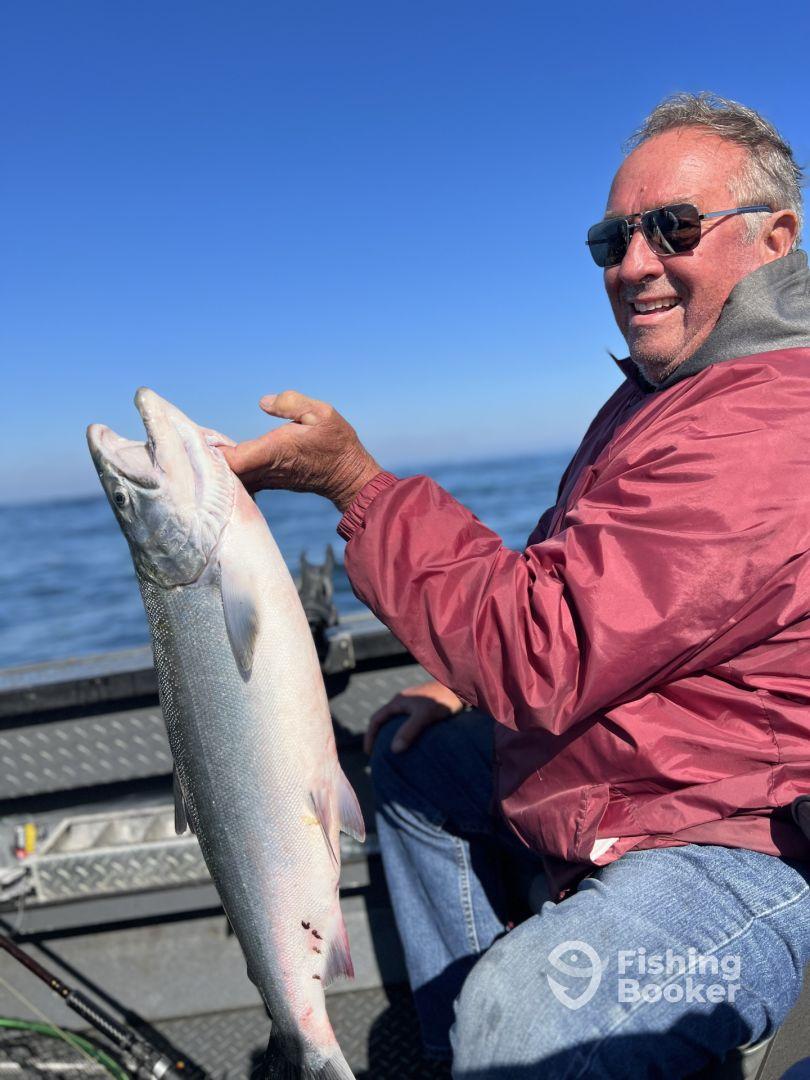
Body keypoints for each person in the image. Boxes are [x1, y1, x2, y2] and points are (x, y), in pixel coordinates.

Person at [224, 93, 810, 1078]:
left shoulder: (763, 423)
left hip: (729, 840)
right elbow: (565, 576)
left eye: (672, 229)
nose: (632, 265)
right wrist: (461, 685)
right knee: (415, 762)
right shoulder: (657, 401)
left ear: (775, 239)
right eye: (610, 241)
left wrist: (354, 487)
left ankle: (507, 1037)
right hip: (625, 776)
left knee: (531, 1005)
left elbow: (544, 649)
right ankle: (474, 1057)